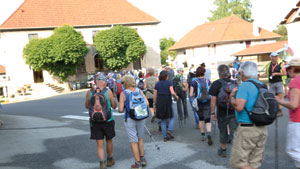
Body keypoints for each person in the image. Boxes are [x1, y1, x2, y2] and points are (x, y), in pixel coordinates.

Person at [229, 61, 268, 169]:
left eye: (240, 72)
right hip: (262, 128)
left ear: (243, 73)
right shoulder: (262, 85)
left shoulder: (245, 86)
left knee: (238, 162)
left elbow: (239, 107)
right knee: (254, 162)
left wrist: (232, 97)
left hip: (247, 128)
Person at [85, 75, 117, 169]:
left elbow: (87, 106)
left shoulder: (90, 92)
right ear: (105, 82)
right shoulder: (108, 91)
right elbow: (114, 106)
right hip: (108, 120)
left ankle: (102, 163)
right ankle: (110, 159)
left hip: (95, 121)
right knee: (109, 140)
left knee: (99, 143)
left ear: (96, 82)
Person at [118, 75, 149, 169]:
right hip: (141, 116)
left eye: (123, 83)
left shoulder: (124, 93)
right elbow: (147, 103)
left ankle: (137, 163)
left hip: (130, 118)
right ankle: (142, 159)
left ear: (126, 83)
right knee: (140, 138)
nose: (122, 85)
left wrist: (123, 106)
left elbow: (120, 109)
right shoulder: (139, 90)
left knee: (133, 141)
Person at [209, 64, 238, 157]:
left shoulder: (216, 83)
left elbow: (213, 99)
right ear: (229, 73)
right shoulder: (235, 83)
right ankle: (236, 152)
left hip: (221, 111)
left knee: (222, 131)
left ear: (219, 73)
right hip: (233, 110)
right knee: (235, 131)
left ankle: (223, 150)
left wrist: (213, 112)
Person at [276, 57, 300, 169]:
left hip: (297, 120)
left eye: (288, 69)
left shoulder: (296, 81)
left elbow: (294, 105)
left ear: (294, 68)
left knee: (292, 150)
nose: (287, 71)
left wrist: (279, 101)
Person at [189, 66, 213, 145]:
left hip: (198, 103)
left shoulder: (194, 82)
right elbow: (211, 92)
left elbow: (191, 94)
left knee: (201, 119)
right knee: (208, 119)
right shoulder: (208, 81)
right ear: (204, 72)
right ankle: (209, 133)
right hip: (207, 102)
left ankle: (203, 135)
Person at [259, 52, 287, 116]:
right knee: (271, 97)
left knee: (280, 97)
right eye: (274, 56)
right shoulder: (268, 65)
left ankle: (280, 111)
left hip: (279, 82)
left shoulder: (280, 64)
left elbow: (284, 73)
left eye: (276, 56)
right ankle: (274, 110)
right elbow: (266, 73)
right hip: (271, 83)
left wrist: (276, 73)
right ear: (271, 57)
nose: (276, 57)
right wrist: (259, 75)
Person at [154, 70, 178, 142]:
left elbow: (155, 95)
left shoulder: (157, 84)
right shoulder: (169, 82)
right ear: (166, 76)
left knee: (163, 120)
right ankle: (170, 130)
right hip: (167, 100)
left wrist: (155, 104)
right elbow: (172, 92)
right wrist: (176, 97)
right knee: (172, 117)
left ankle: (165, 137)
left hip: (160, 101)